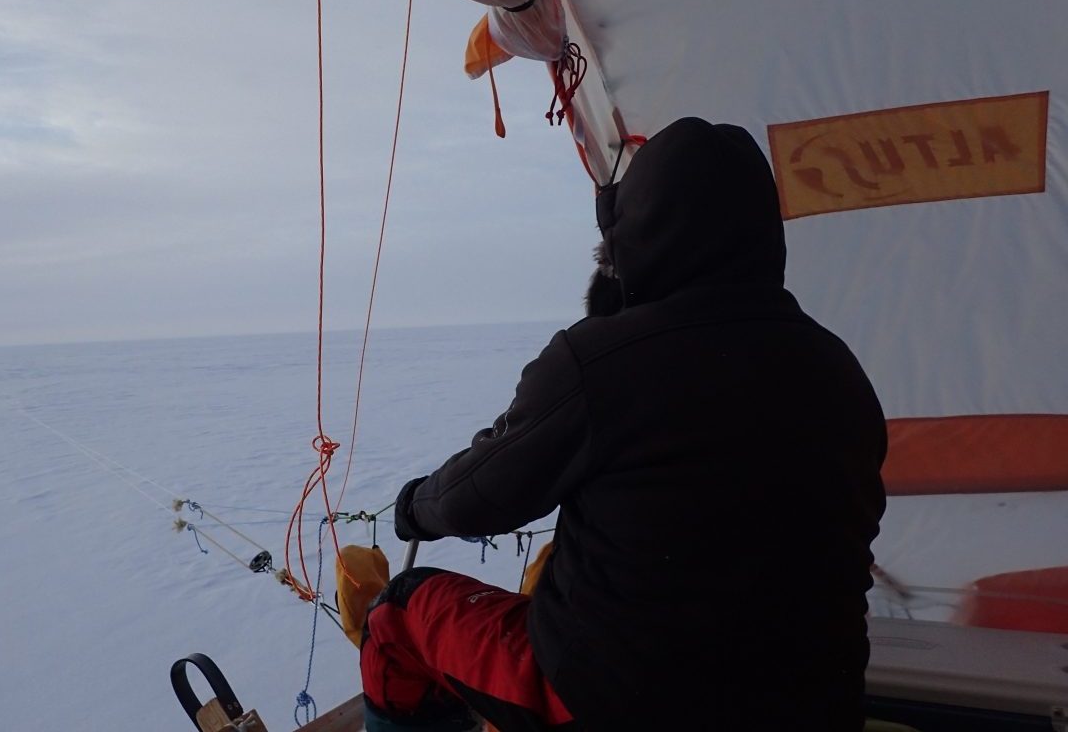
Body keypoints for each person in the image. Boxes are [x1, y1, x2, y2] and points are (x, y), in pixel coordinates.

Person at [355, 117, 888, 732]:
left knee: (396, 613)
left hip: (617, 701)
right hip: (815, 703)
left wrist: (415, 507)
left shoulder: (600, 362)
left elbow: (479, 499)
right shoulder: (839, 370)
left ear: (637, 236)